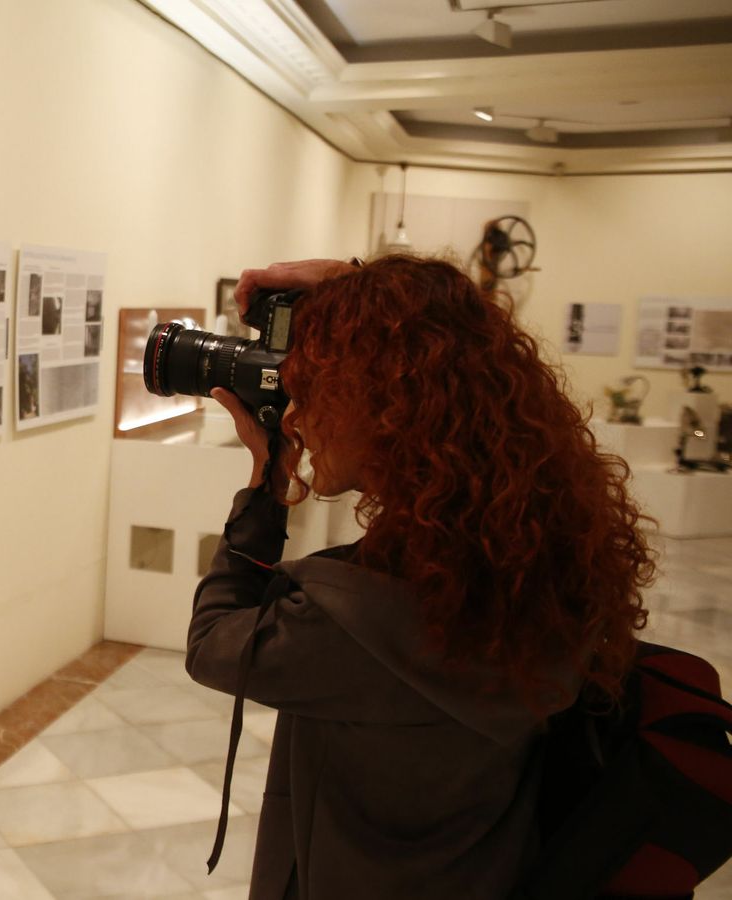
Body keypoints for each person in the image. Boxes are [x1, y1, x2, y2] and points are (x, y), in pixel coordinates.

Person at [189, 255, 654, 899]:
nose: (295, 418)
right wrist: (363, 289)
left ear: (388, 412)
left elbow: (214, 644)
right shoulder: (530, 554)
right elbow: (449, 336)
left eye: (317, 395)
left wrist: (266, 484)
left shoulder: (356, 624)